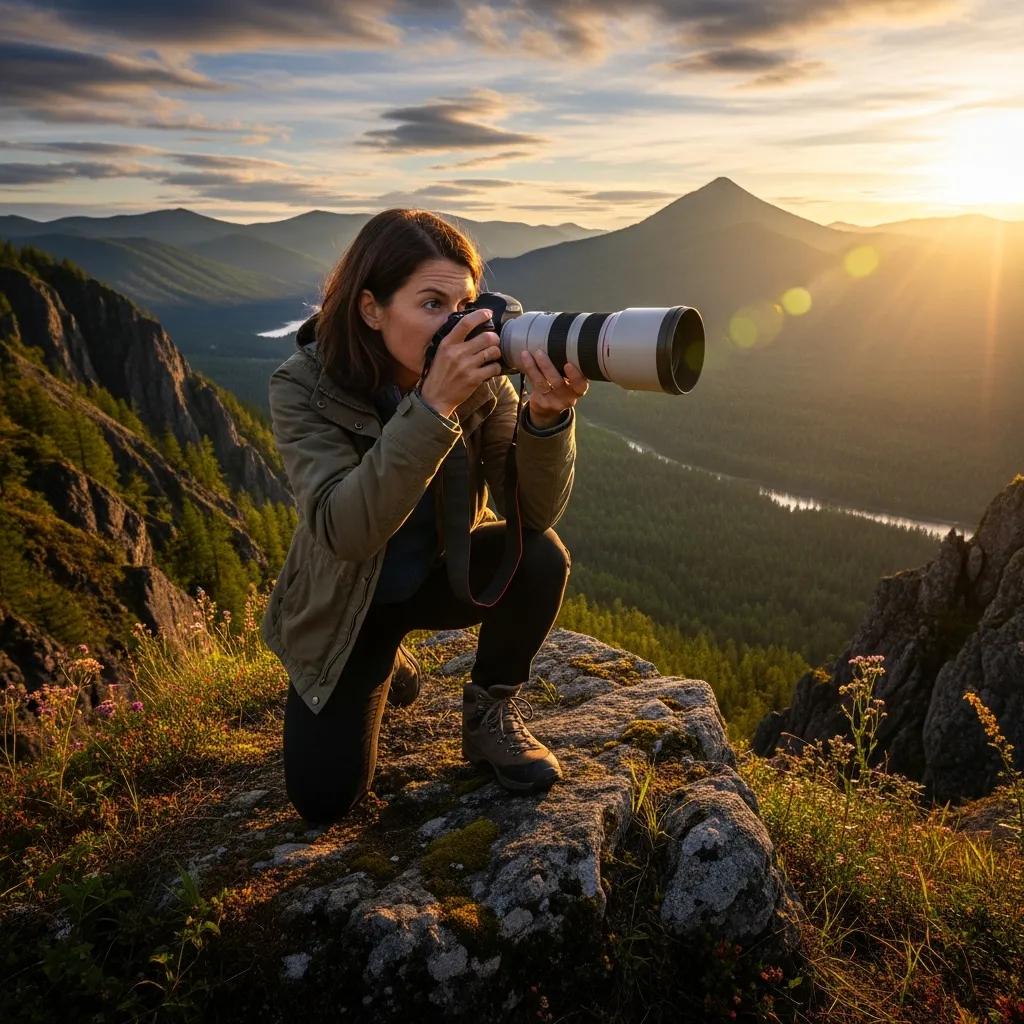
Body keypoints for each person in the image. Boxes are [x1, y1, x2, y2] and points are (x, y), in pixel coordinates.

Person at [260, 208, 589, 826]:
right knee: (325, 802)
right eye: (432, 304)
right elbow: (344, 531)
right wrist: (433, 404)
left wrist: (545, 421)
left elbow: (534, 513)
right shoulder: (303, 386)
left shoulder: (484, 380)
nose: (455, 323)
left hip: (440, 575)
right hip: (349, 605)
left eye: (463, 304)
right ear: (370, 309)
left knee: (540, 555)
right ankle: (386, 664)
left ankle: (489, 715)